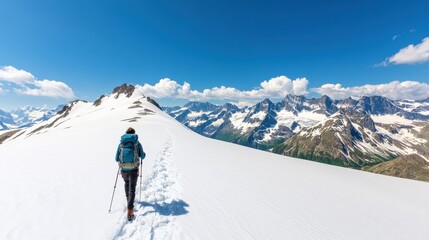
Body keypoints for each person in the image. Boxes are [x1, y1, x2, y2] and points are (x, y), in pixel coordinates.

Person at [115, 127, 145, 221]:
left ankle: (129, 200)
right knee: (132, 188)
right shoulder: (137, 143)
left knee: (126, 184)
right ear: (134, 134)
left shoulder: (121, 144)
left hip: (124, 169)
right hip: (133, 169)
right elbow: (142, 156)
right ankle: (130, 209)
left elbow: (116, 158)